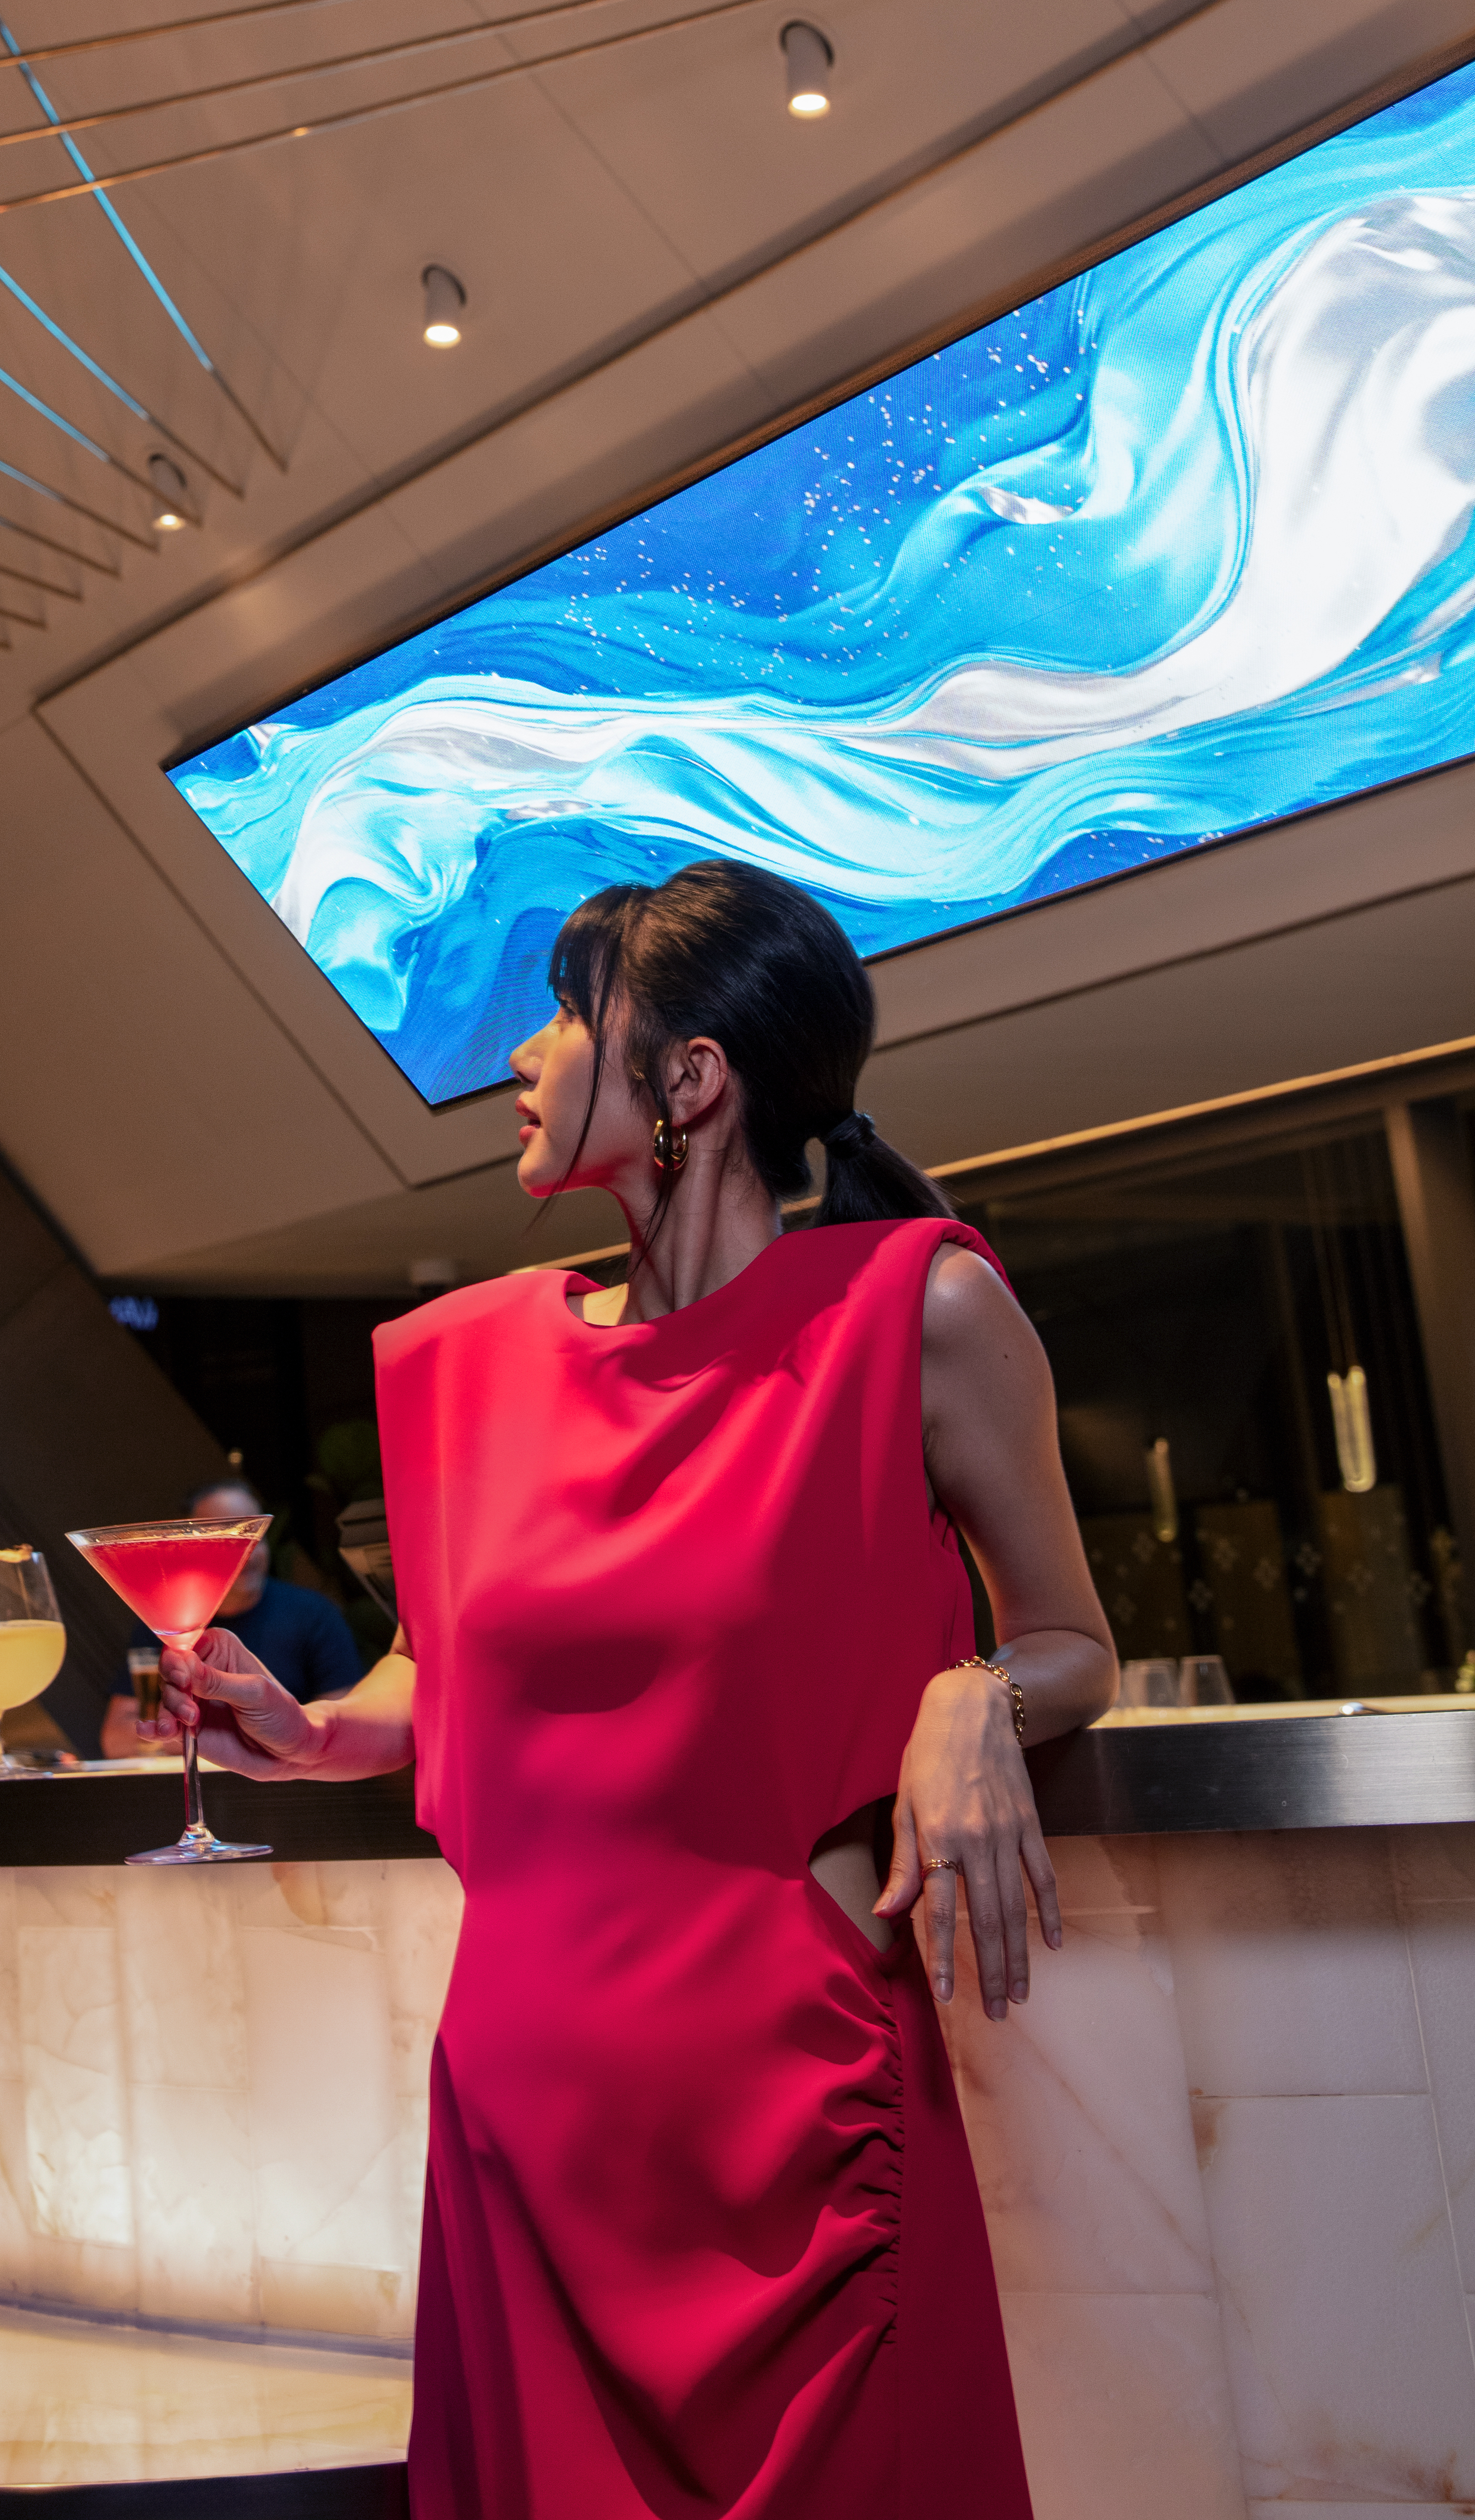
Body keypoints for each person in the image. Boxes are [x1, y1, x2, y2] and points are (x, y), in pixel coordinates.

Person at [159, 858, 1116, 2520]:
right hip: (524, 2121)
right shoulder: (470, 1359)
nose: (520, 1060)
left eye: (560, 1014)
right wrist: (311, 1733)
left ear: (691, 1077)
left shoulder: (918, 1308)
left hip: (789, 2129)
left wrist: (975, 1691)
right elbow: (437, 1679)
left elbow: (1069, 1640)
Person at [99, 1476, 360, 1756]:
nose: (246, 1553)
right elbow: (115, 1738)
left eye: (254, 1538)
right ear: (184, 1549)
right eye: (224, 1539)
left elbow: (344, 1728)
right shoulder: (162, 1621)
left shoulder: (314, 1615)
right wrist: (210, 1738)